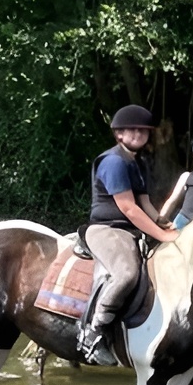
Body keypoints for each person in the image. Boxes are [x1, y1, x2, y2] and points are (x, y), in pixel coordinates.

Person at [77, 104, 179, 366]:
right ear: (118, 134)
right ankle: (94, 332)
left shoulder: (138, 162)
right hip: (108, 229)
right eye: (131, 129)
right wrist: (162, 236)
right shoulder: (113, 161)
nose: (137, 134)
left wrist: (165, 225)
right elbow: (128, 208)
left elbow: (144, 203)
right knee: (127, 273)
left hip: (131, 229)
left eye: (143, 130)